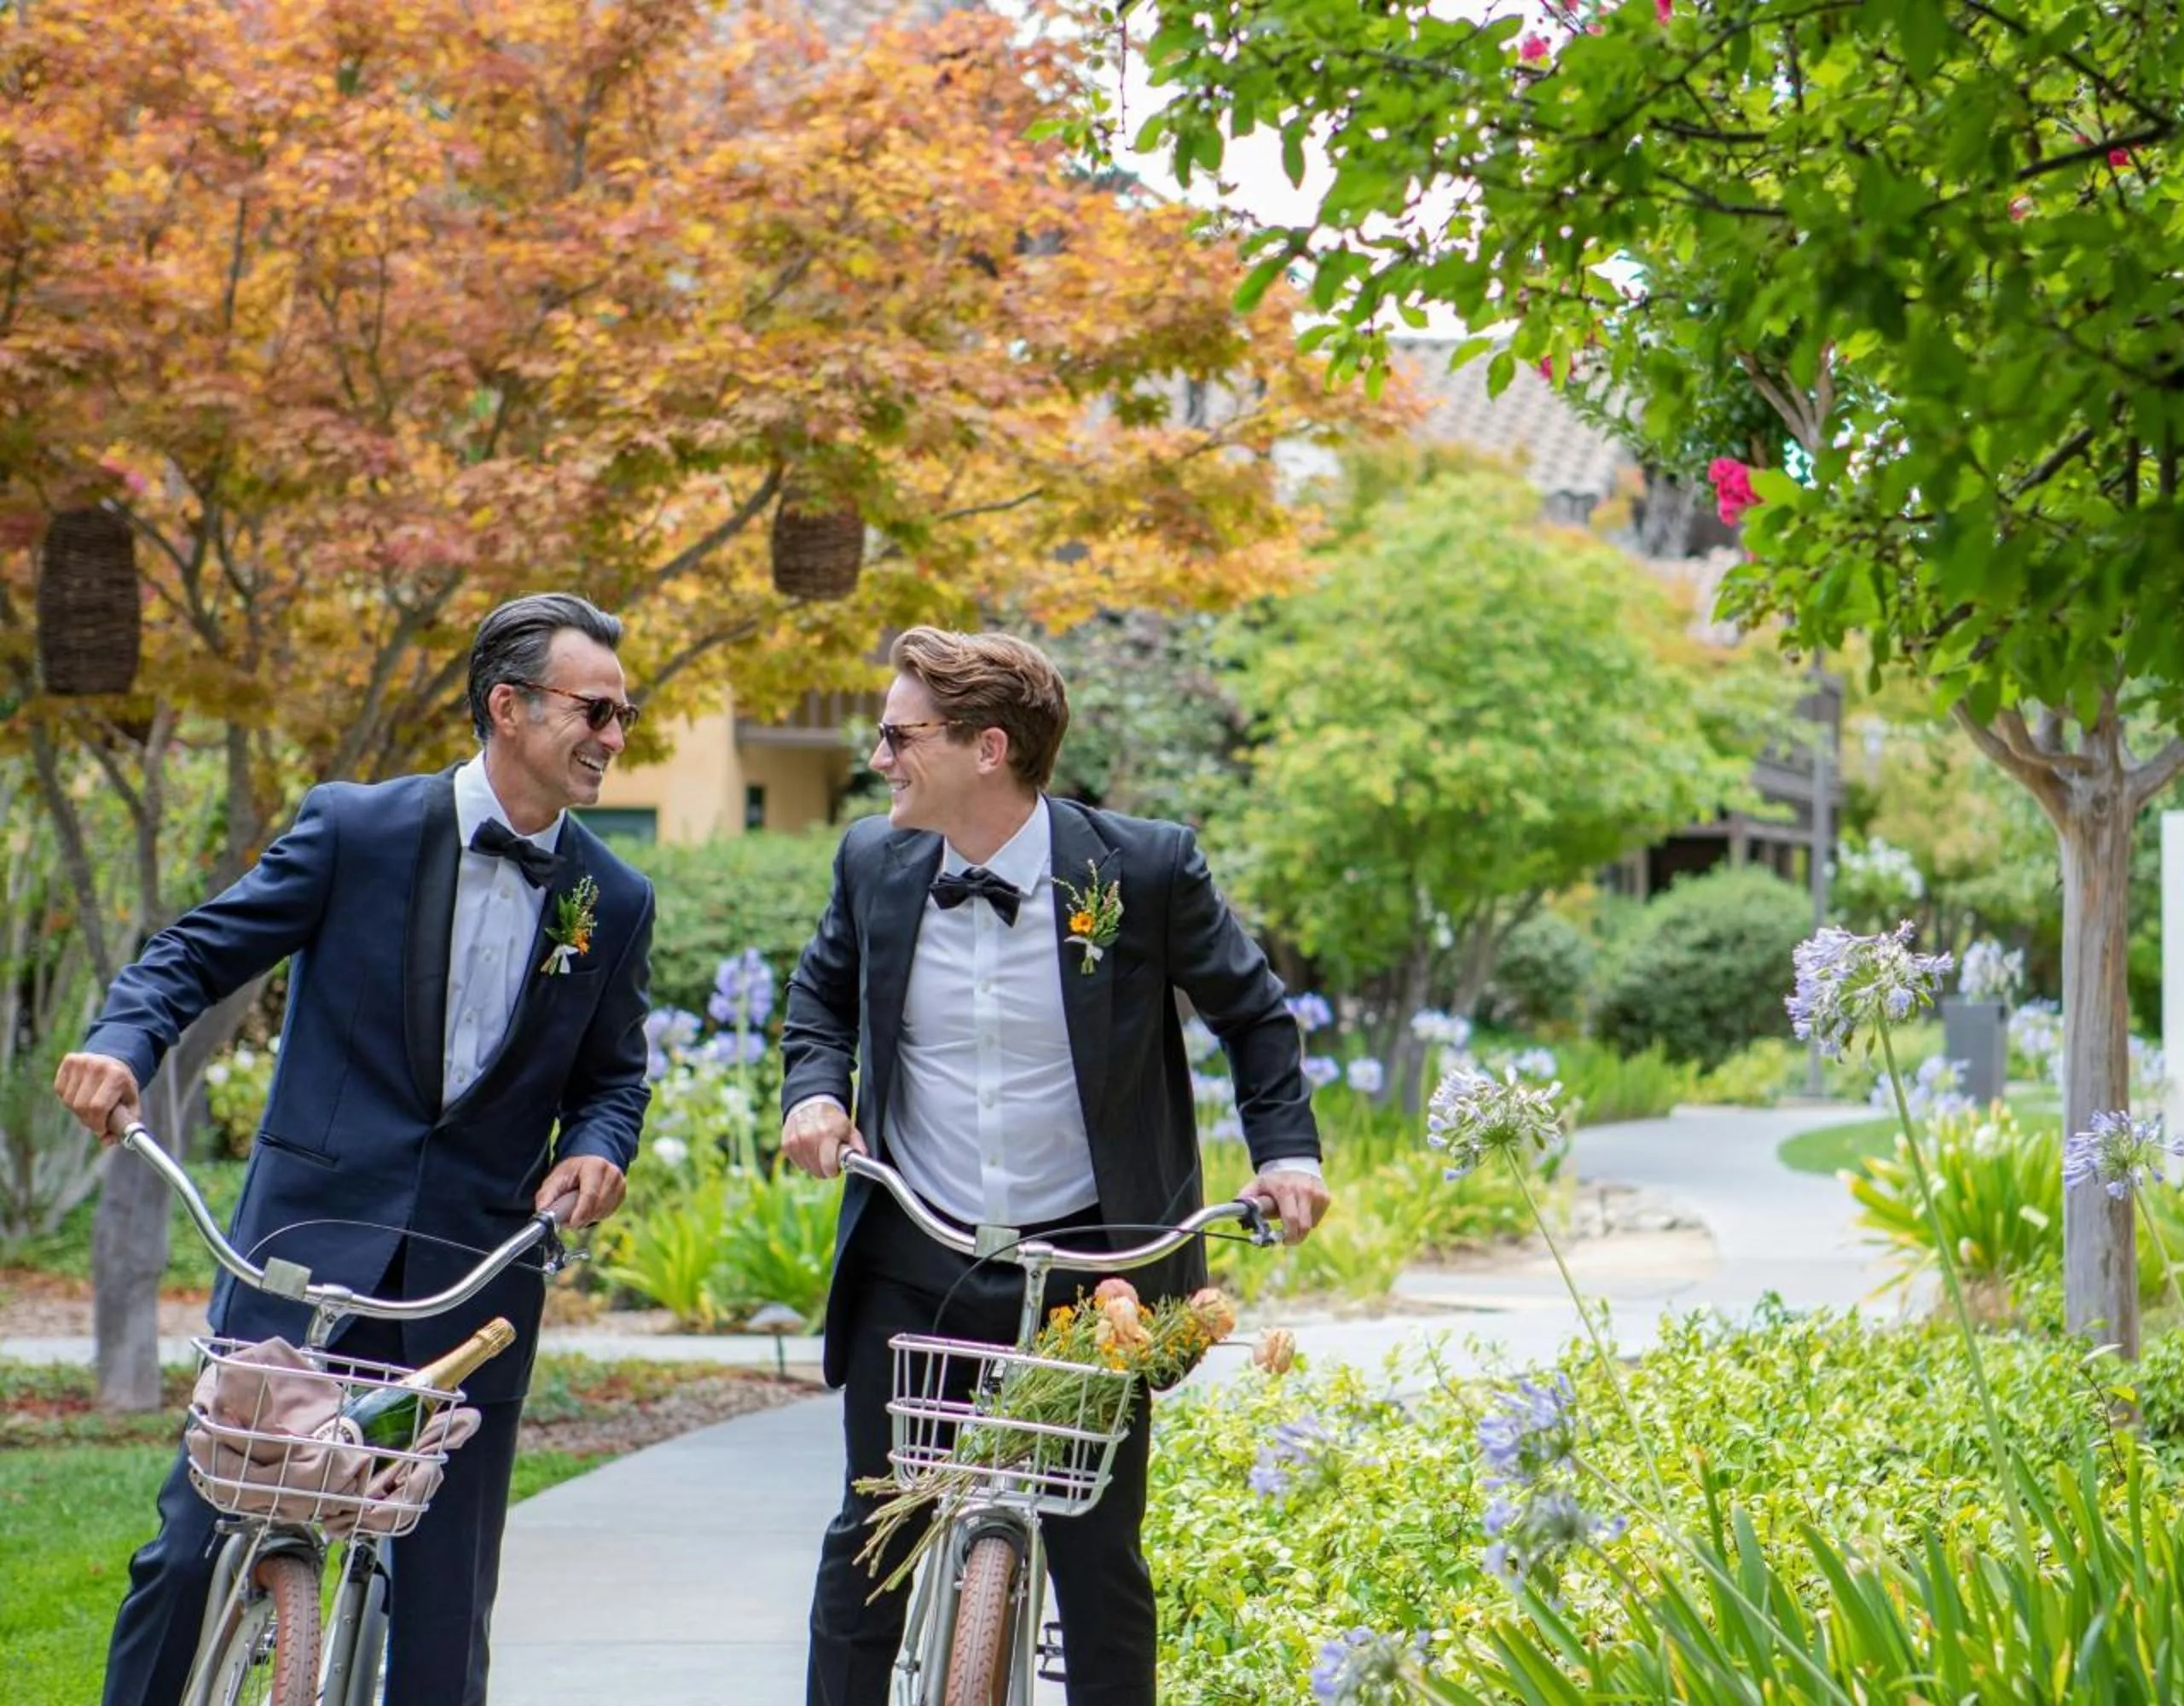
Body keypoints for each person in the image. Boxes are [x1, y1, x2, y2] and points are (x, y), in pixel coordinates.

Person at [53, 592, 657, 1706]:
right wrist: (123, 1042)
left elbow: (614, 1077)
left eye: (627, 714)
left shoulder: (612, 899)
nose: (615, 737)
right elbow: (197, 953)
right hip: (302, 1258)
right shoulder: (356, 829)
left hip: (471, 1287)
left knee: (443, 1626)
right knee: (188, 1556)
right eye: (596, 710)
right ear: (508, 706)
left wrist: (598, 1148)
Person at [779, 626, 1329, 1706]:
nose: (879, 757)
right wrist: (814, 1091)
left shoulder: (1144, 868)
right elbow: (820, 996)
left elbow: (1256, 1015)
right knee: (874, 1535)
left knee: (1098, 1554)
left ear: (987, 748)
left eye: (899, 735)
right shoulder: (872, 861)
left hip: (1093, 1267)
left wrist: (1287, 1155)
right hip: (917, 1247)